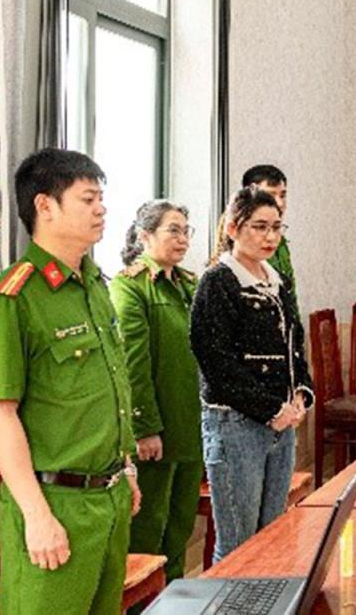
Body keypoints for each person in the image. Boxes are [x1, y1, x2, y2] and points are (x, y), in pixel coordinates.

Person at [0, 148, 139, 614]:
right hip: (55, 503)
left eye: (101, 198)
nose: (101, 209)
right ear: (45, 205)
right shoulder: (13, 298)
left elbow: (110, 388)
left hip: (109, 499)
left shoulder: (95, 286)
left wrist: (125, 467)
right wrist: (36, 514)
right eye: (88, 199)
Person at [190, 186, 314, 561]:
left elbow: (295, 344)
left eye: (276, 227)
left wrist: (300, 392)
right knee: (238, 546)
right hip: (236, 425)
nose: (269, 236)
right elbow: (216, 362)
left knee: (272, 536)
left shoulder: (277, 281)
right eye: (259, 227)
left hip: (281, 425)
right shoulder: (218, 282)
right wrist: (271, 409)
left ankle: (266, 595)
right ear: (233, 228)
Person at [110, 200, 201, 589]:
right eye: (173, 230)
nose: (183, 239)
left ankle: (175, 599)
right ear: (145, 236)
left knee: (180, 527)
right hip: (157, 433)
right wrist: (145, 427)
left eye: (186, 231)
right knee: (149, 531)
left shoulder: (188, 285)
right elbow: (133, 365)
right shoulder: (130, 287)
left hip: (192, 426)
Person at [241, 164, 297, 294]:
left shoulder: (280, 241)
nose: (280, 203)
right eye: (270, 196)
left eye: (282, 195)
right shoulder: (240, 244)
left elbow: (289, 294)